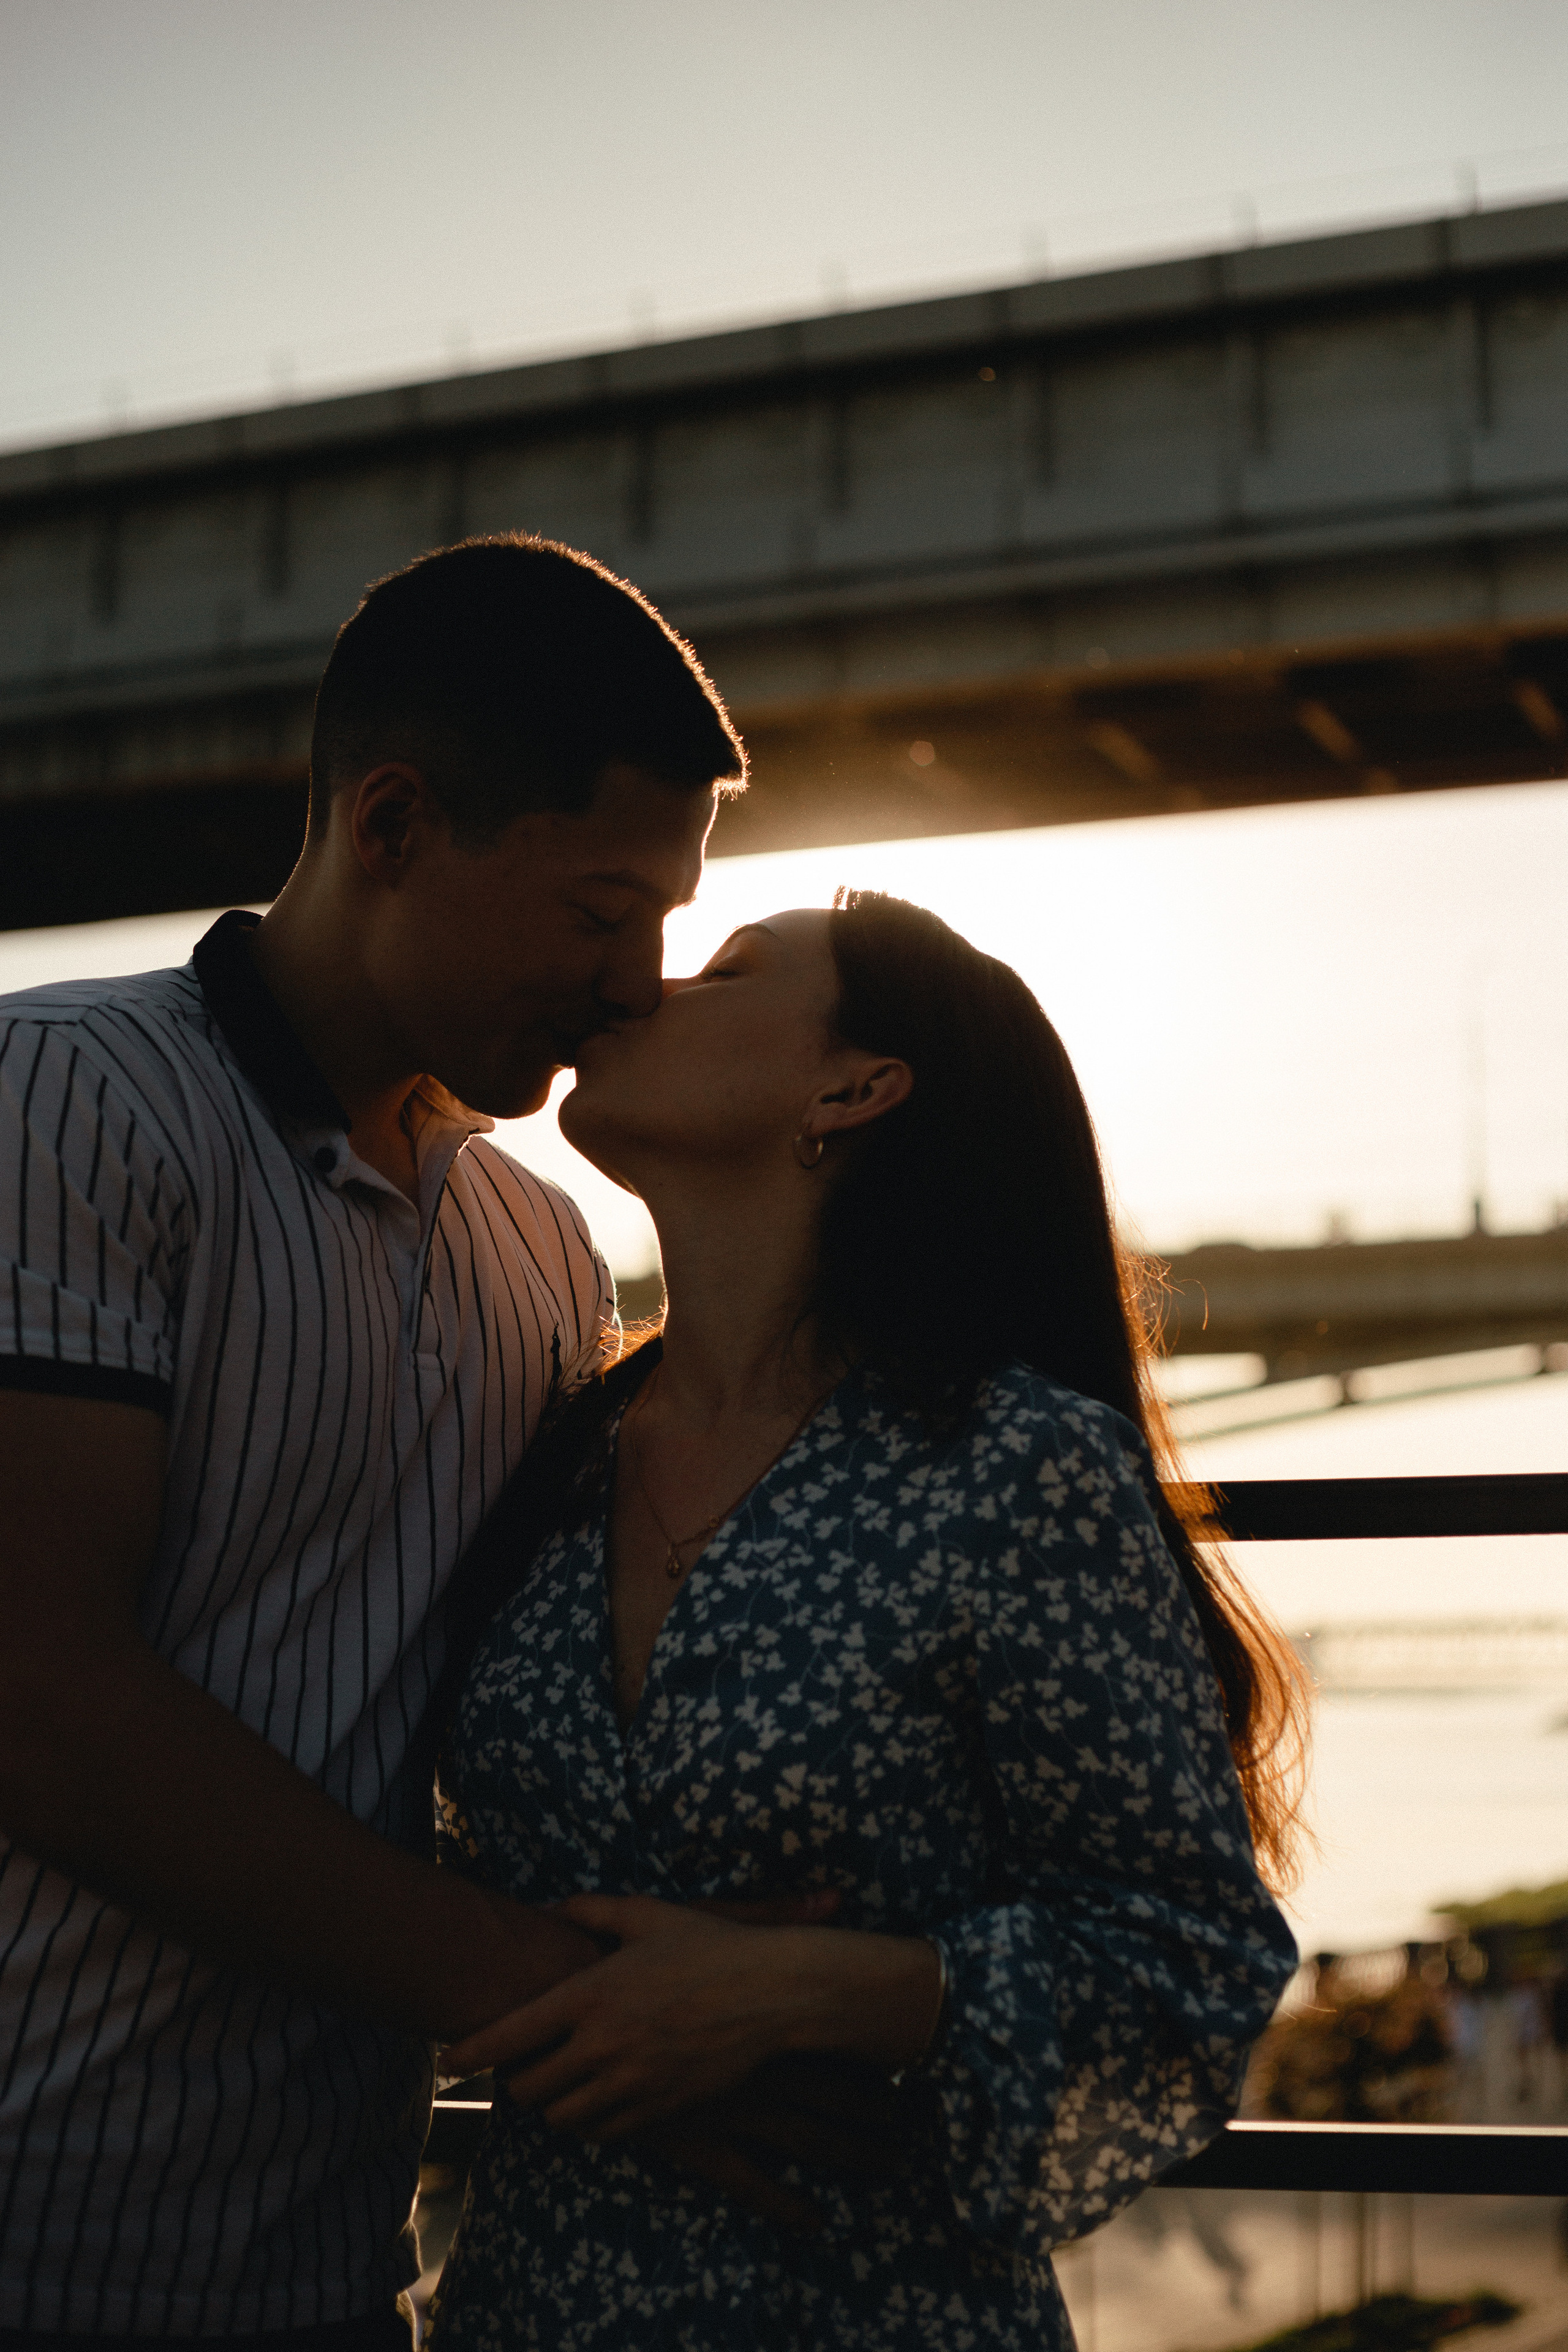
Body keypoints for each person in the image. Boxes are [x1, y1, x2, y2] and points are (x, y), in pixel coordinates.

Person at [0, 535, 824, 2346]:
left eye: (672, 926)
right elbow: (39, 1700)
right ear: (391, 828)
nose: (635, 984)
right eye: (604, 913)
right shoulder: (62, 1101)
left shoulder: (540, 1247)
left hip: (335, 2271)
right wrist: (580, 2009)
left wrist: (816, 1973)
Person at [426, 891, 1307, 2351]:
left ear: (853, 1086)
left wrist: (804, 1995)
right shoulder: (542, 1455)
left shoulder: (1012, 1466)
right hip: (531, 2302)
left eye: (727, 970)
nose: (647, 985)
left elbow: (1189, 1969)